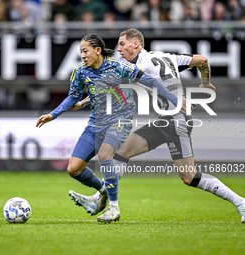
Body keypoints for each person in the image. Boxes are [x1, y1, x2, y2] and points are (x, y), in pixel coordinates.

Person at [70, 28, 245, 223]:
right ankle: (100, 199)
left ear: (136, 44)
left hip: (177, 120)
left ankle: (240, 202)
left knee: (189, 176)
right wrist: (205, 83)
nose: (118, 48)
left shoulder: (140, 63)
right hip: (164, 120)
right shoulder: (166, 57)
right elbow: (202, 60)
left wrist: (82, 103)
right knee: (121, 153)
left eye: (122, 43)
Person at [36, 33, 179, 223]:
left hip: (121, 120)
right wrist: (52, 114)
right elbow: (73, 97)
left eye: (85, 51)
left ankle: (114, 208)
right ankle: (103, 190)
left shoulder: (119, 67)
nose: (83, 55)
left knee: (105, 155)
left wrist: (176, 101)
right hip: (96, 123)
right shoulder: (80, 72)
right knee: (74, 168)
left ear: (97, 50)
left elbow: (150, 82)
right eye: (80, 52)